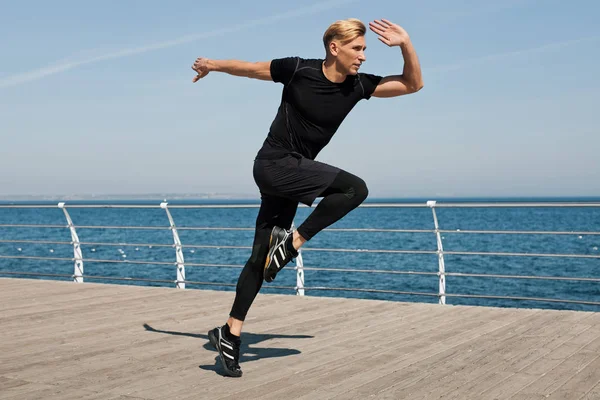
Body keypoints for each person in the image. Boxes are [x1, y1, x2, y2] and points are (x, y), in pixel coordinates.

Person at [192, 18, 423, 377]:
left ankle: (229, 335)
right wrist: (212, 65)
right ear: (335, 48)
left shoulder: (359, 86)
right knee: (354, 188)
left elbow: (412, 84)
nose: (363, 56)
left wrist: (406, 43)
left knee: (259, 259)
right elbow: (252, 69)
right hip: (272, 165)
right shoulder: (298, 69)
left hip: (293, 175)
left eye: (365, 49)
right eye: (358, 48)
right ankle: (293, 243)